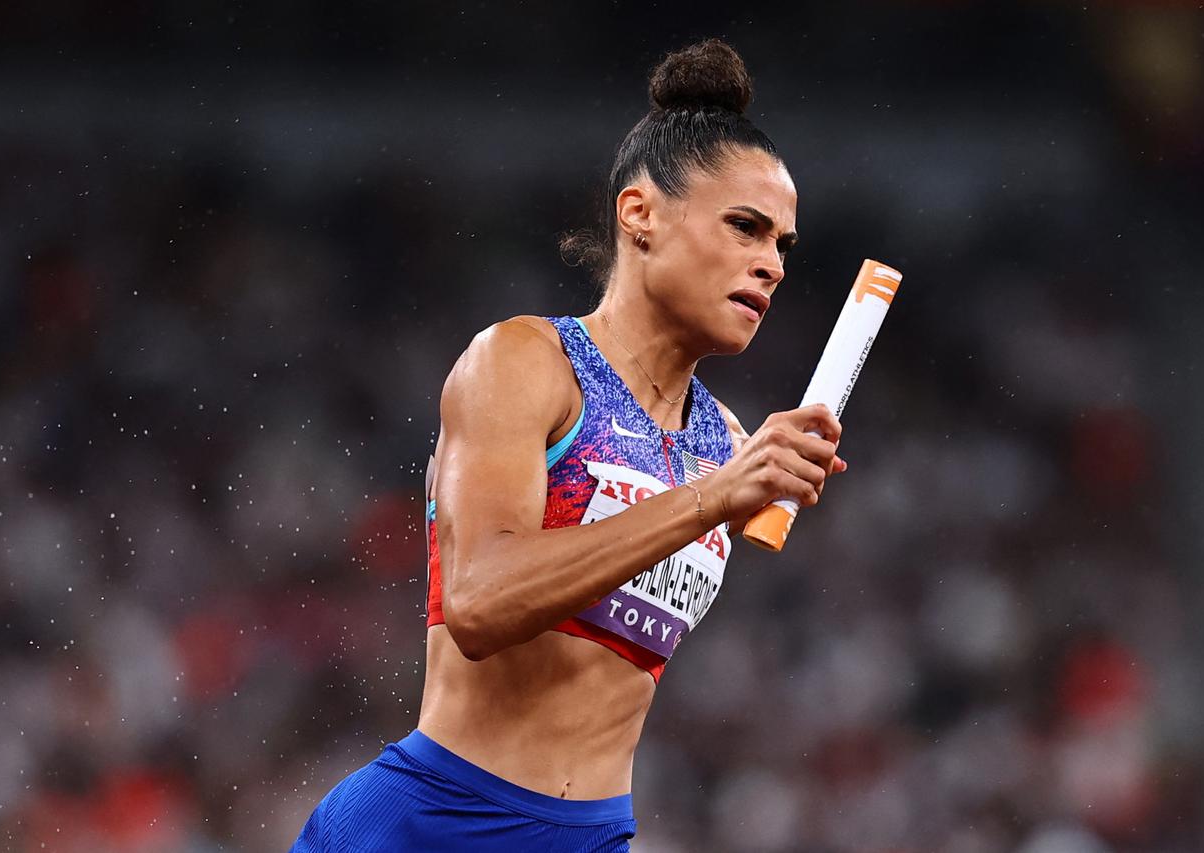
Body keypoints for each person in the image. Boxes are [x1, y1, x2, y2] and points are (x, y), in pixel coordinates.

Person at [292, 37, 847, 852]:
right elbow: (478, 603)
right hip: (433, 824)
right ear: (640, 214)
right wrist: (708, 500)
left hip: (590, 835)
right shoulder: (524, 362)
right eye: (745, 227)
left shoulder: (725, 440)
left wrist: (729, 489)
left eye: (781, 246)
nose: (770, 264)